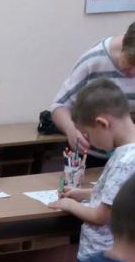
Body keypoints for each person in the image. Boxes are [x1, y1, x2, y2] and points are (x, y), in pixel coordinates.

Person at [48, 79, 135, 261]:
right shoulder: (127, 153)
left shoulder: (125, 162)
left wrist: (69, 204)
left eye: (87, 134)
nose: (90, 142)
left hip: (102, 258)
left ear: (102, 124)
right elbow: (118, 196)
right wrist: (83, 193)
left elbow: (101, 216)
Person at [50, 21, 135, 159]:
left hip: (128, 156)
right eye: (130, 64)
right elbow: (59, 105)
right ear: (123, 45)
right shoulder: (94, 60)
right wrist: (71, 130)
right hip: (93, 155)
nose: (133, 74)